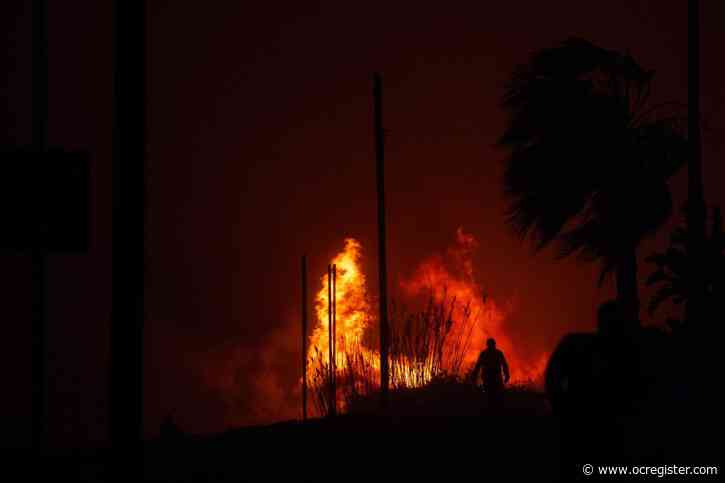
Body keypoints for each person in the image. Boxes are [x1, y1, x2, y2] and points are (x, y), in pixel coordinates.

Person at [471, 338, 510, 408]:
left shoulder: (487, 353)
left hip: (492, 377)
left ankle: (492, 408)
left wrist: (474, 375)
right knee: (493, 395)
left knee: (492, 394)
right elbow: (478, 365)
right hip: (491, 377)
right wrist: (506, 374)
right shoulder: (497, 353)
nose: (491, 346)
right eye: (491, 344)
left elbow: (478, 365)